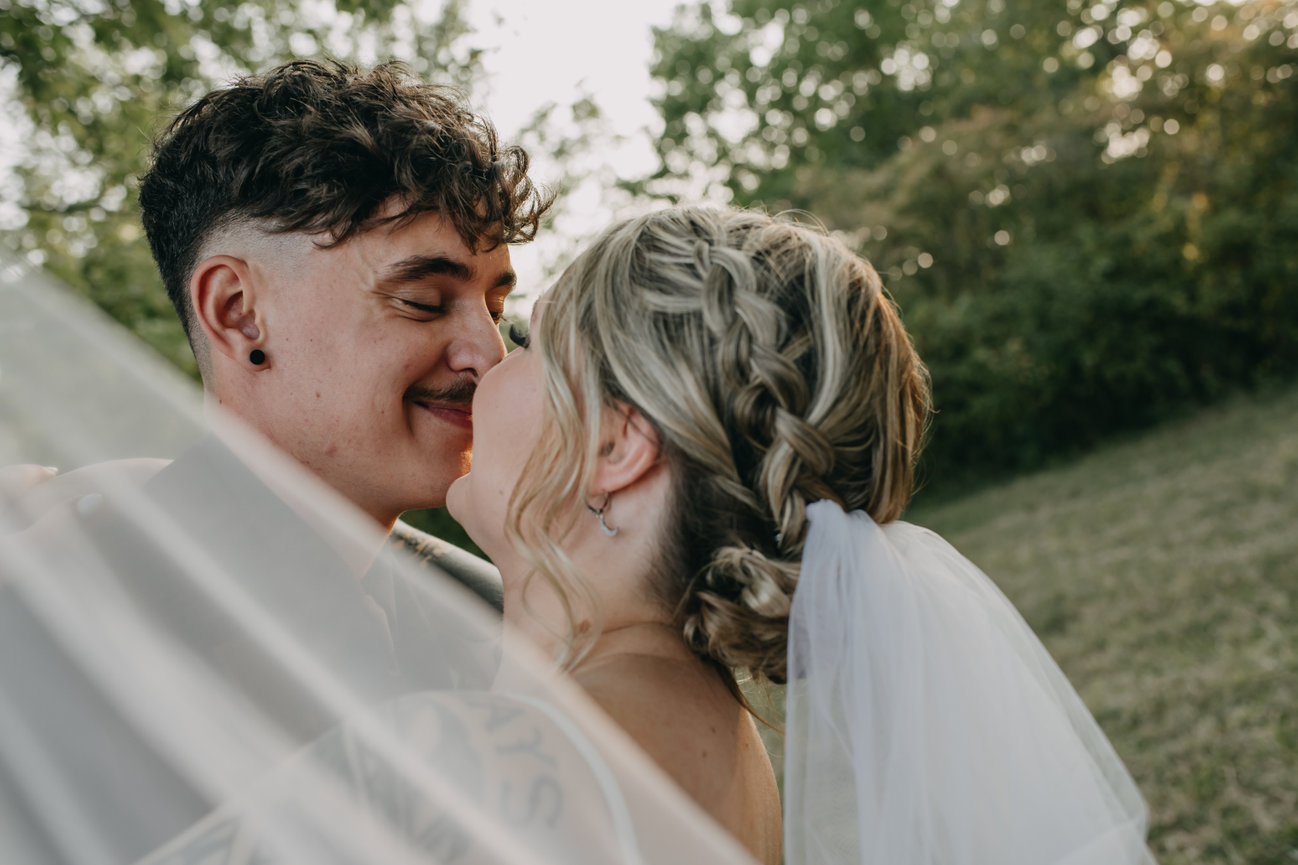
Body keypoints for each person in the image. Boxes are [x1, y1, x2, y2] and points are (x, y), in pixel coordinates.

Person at [446, 205, 1158, 864]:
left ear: (613, 447)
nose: (487, 364)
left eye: (524, 339)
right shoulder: (698, 721)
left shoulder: (513, 755)